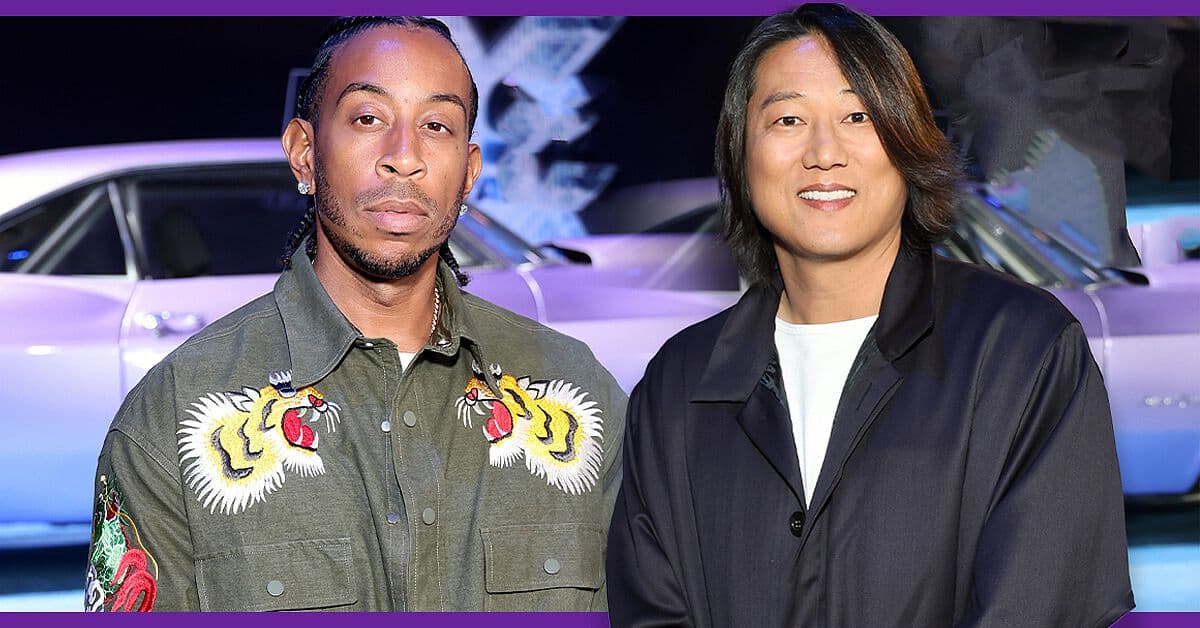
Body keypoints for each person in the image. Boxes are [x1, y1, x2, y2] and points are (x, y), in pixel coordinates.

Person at [606, 4, 1132, 626]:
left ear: (908, 141)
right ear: (741, 156)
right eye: (788, 119)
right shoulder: (678, 384)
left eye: (858, 116)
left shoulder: (1023, 352)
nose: (824, 152)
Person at [86, 16, 625, 612]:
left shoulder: (582, 396)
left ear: (470, 170)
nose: (405, 157)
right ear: (304, 153)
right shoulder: (174, 416)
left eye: (436, 125)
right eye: (368, 118)